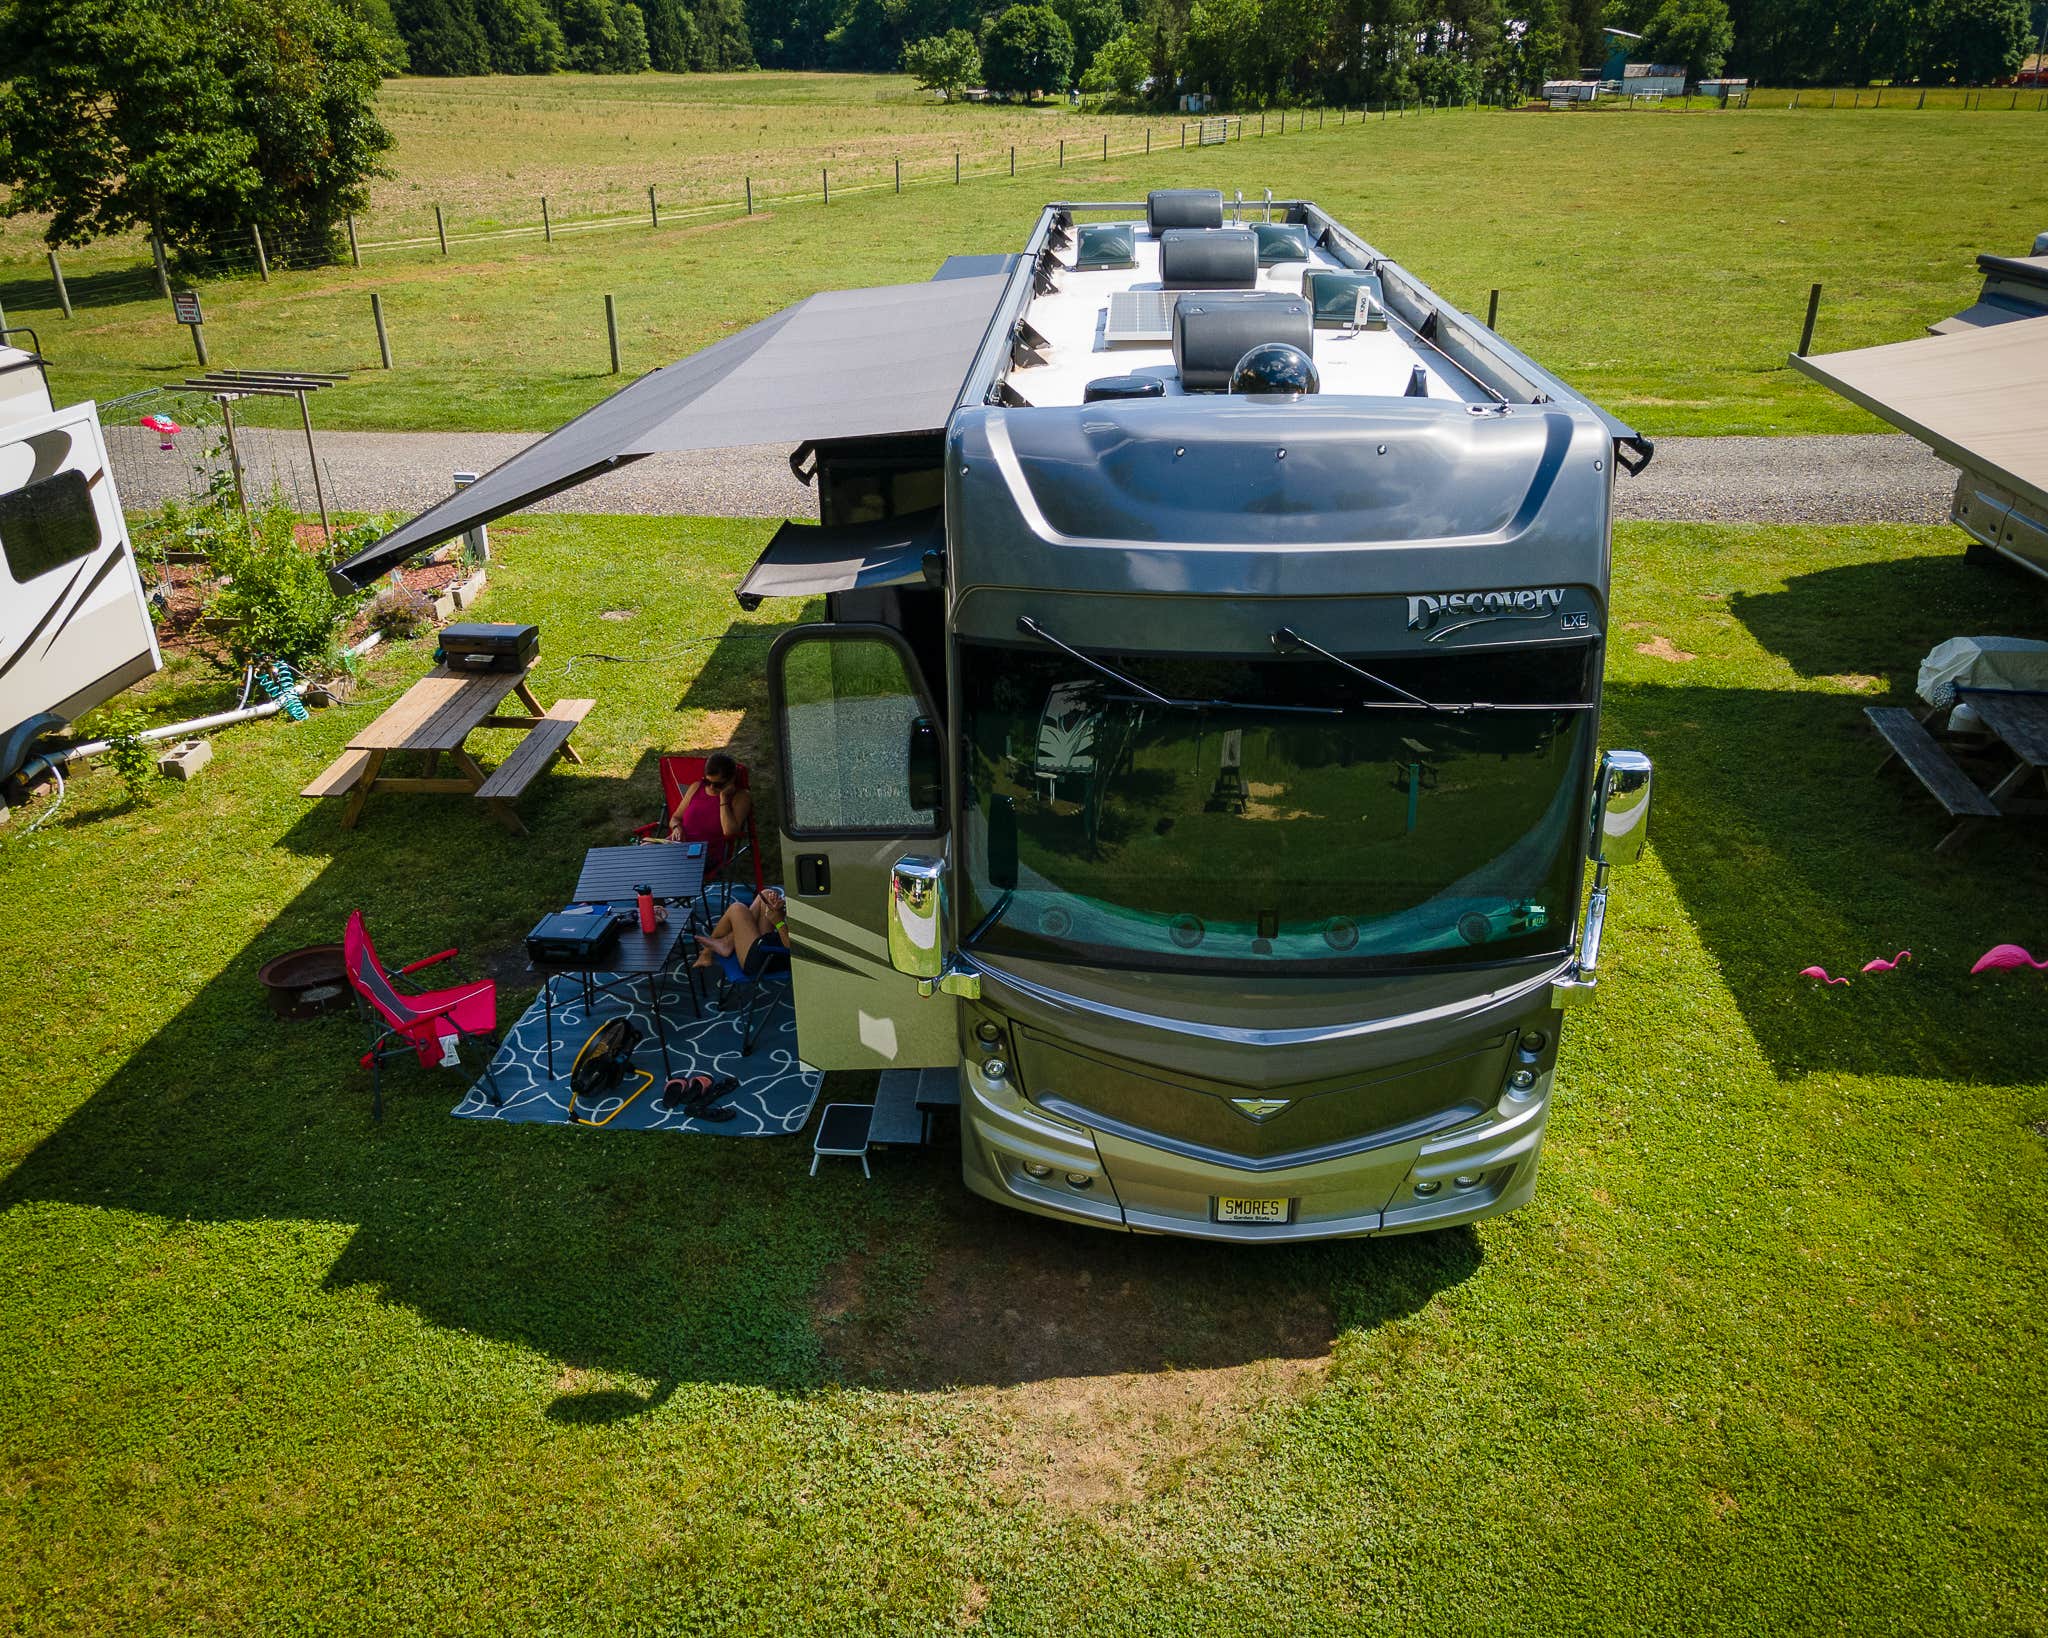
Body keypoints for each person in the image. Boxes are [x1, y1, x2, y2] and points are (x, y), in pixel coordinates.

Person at [663, 751, 752, 870]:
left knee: (660, 866)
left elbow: (730, 832)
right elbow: (675, 818)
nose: (711, 787)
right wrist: (676, 827)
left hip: (705, 854)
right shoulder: (696, 787)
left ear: (731, 779)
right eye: (707, 782)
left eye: (718, 785)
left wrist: (723, 798)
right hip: (679, 847)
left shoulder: (740, 797)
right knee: (644, 851)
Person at [693, 886, 786, 974]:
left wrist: (779, 922)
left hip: (768, 957)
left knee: (737, 909)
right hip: (773, 941)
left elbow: (791, 946)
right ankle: (723, 945)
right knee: (766, 895)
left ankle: (709, 951)